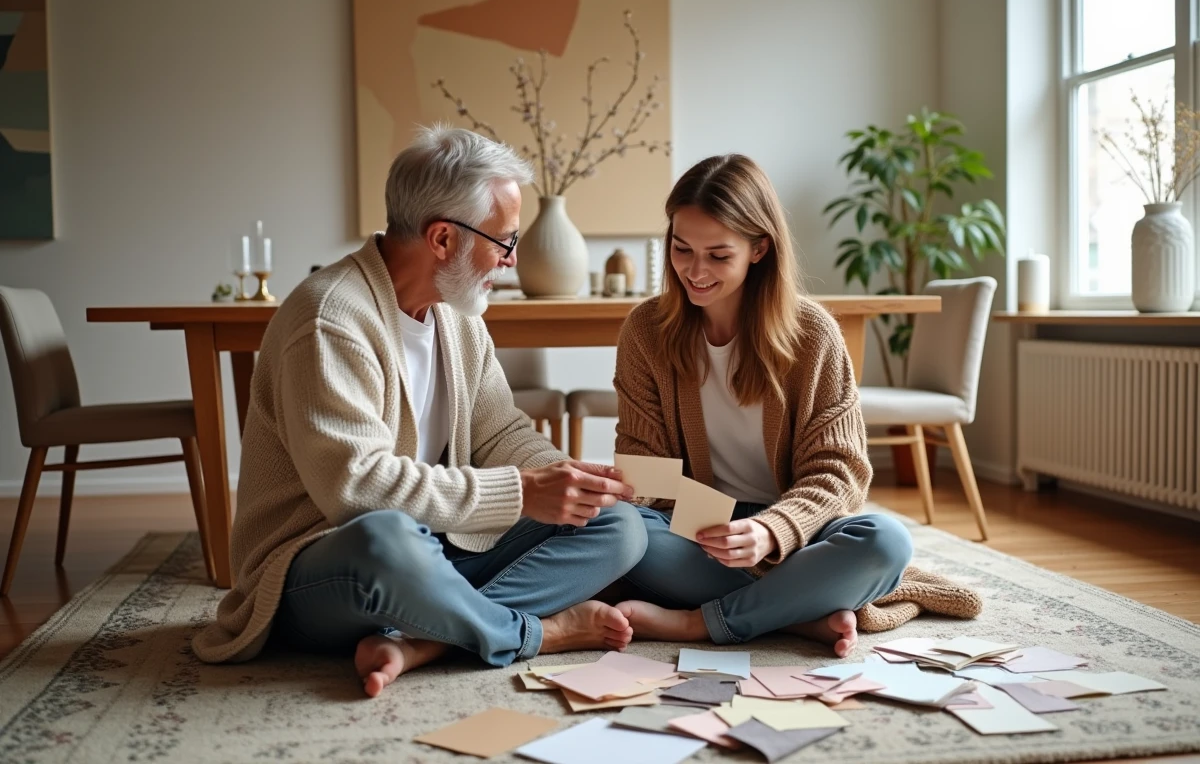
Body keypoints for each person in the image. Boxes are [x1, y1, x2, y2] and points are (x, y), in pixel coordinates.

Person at [192, 126, 647, 697]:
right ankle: (530, 633)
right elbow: (355, 491)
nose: (509, 261)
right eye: (504, 241)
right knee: (388, 541)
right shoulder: (329, 319)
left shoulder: (458, 315)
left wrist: (567, 481)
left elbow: (499, 429)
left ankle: (424, 639)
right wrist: (522, 493)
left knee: (616, 527)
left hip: (435, 552)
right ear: (441, 240)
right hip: (319, 567)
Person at [612, 154, 981, 657]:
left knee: (886, 543)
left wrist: (770, 530)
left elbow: (841, 472)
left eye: (718, 255)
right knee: (616, 532)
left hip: (799, 530)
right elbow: (647, 471)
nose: (695, 271)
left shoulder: (812, 334)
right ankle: (799, 612)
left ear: (759, 247)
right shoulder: (646, 332)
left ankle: (703, 623)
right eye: (682, 249)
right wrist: (687, 515)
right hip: (699, 536)